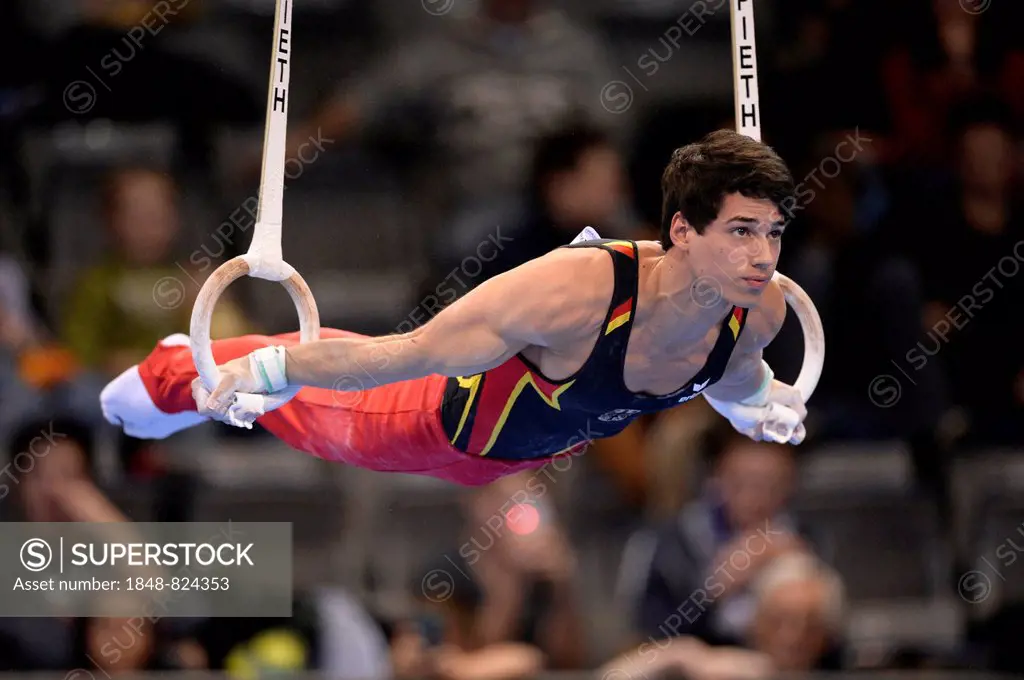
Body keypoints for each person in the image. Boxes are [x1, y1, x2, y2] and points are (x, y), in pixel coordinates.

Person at [100, 130, 810, 486]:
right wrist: (269, 368)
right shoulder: (572, 294)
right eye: (742, 231)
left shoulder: (764, 312)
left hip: (512, 460)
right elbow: (397, 355)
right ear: (682, 230)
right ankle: (169, 373)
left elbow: (732, 375)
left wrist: (760, 405)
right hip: (426, 422)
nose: (763, 256)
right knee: (282, 393)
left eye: (774, 233)